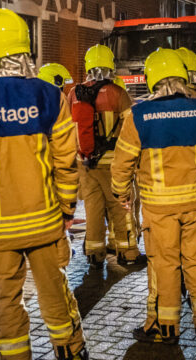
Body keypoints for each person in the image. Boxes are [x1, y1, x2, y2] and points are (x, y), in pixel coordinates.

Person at [0, 8, 88, 360]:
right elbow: (66, 163)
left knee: (6, 304)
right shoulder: (48, 96)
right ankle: (70, 350)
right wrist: (68, 209)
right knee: (55, 293)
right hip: (44, 223)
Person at [111, 49, 196, 345]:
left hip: (159, 206)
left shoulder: (139, 115)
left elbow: (122, 162)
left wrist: (121, 193)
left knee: (165, 264)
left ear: (152, 80)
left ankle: (166, 327)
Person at [68, 44, 141, 267]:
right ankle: (127, 253)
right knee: (120, 207)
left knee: (93, 209)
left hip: (85, 163)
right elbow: (132, 129)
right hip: (112, 162)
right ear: (111, 67)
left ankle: (94, 253)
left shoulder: (74, 93)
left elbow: (68, 128)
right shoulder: (118, 93)